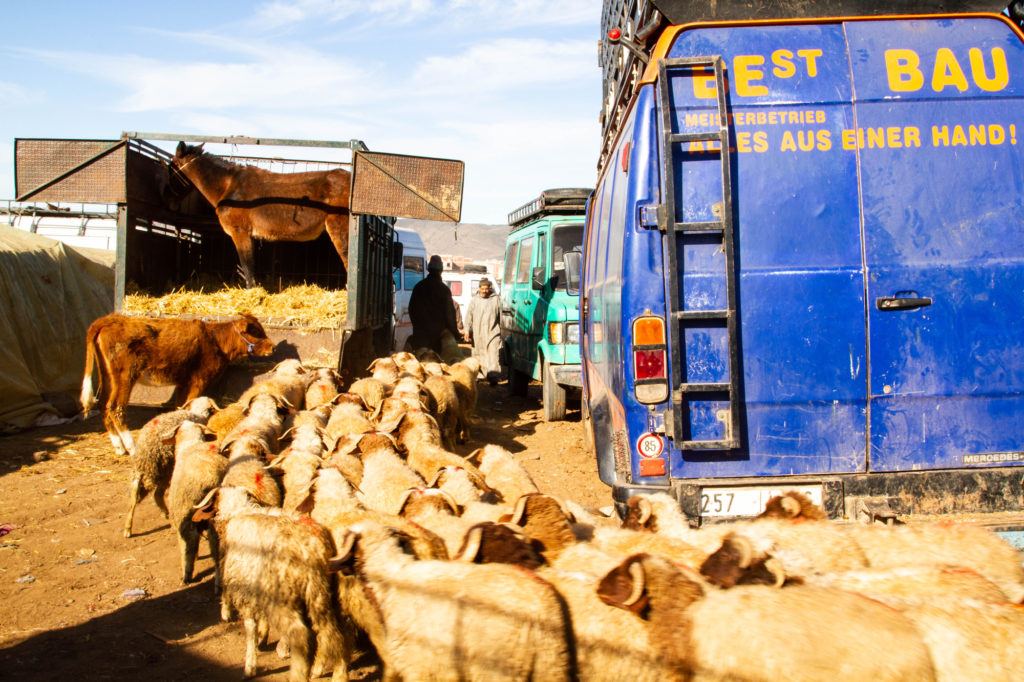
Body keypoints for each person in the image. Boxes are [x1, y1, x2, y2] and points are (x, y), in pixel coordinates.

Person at [407, 254, 461, 358]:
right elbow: (449, 314)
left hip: (421, 336)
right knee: (437, 366)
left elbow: (411, 309)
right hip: (438, 338)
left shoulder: (419, 287)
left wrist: (418, 327)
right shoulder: (444, 290)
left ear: (429, 269)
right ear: (441, 270)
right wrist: (455, 333)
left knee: (422, 365)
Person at [465, 277, 502, 386]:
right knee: (478, 355)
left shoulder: (496, 299)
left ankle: (493, 377)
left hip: (493, 332)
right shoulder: (474, 300)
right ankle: (480, 375)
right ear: (479, 288)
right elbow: (468, 317)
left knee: (493, 354)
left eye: (487, 289)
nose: (485, 291)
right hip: (478, 333)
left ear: (490, 288)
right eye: (483, 289)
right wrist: (467, 330)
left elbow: (501, 317)